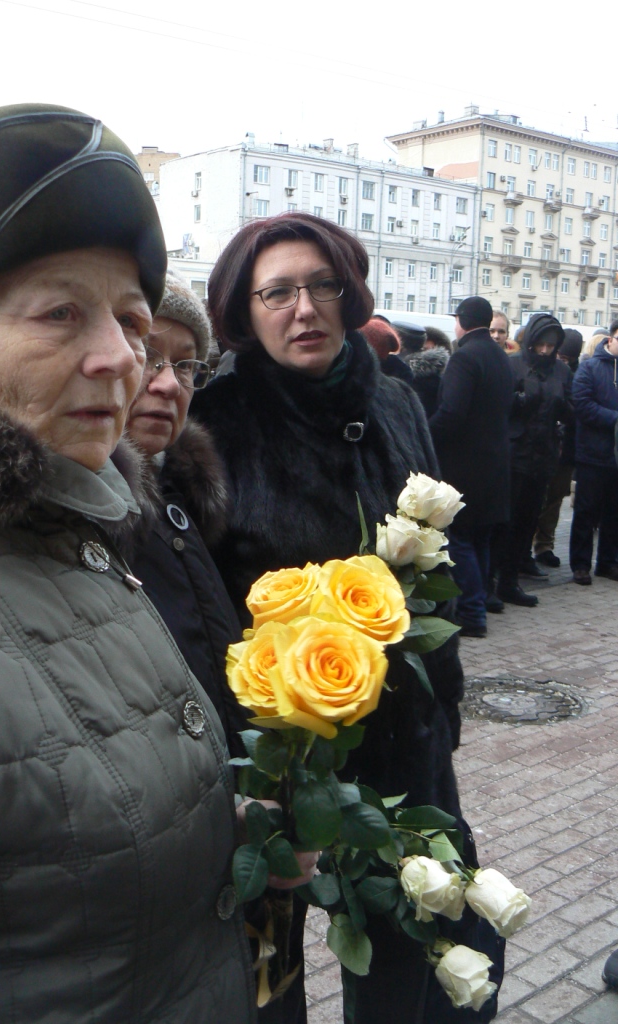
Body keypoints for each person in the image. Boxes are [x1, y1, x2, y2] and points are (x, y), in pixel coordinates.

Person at [0, 103, 257, 1023]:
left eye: (130, 318)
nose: (121, 360)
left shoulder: (85, 532)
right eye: (60, 313)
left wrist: (219, 838)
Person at [193, 214, 503, 1024]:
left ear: (350, 293)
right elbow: (200, 607)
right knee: (269, 978)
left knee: (418, 950)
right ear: (244, 311)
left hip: (409, 747)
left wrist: (445, 703)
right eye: (278, 292)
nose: (305, 309)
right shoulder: (217, 423)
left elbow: (430, 577)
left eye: (322, 285)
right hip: (282, 760)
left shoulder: (398, 403)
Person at [126, 272, 250, 751]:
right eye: (149, 355)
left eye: (184, 365)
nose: (167, 384)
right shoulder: (81, 511)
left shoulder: (186, 493)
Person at [429, 297, 514, 637]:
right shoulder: (500, 355)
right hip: (495, 461)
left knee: (460, 537)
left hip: (464, 464)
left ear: (461, 321)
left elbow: (451, 413)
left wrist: (423, 433)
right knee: (479, 537)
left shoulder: (464, 356)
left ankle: (472, 612)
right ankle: (477, 605)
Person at [497, 314, 570, 605]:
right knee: (506, 522)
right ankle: (494, 579)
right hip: (514, 455)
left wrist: (564, 417)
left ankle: (510, 581)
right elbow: (499, 406)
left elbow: (571, 407)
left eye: (550, 346)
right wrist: (518, 402)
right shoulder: (513, 365)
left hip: (542, 457)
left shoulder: (562, 372)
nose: (544, 351)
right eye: (540, 344)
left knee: (527, 521)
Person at [569, 320, 618, 585]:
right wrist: (615, 419)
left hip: (616, 458)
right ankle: (580, 565)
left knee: (614, 513)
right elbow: (583, 405)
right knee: (586, 511)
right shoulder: (590, 367)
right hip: (593, 455)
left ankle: (608, 562)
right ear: (610, 339)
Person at [532, 329, 582, 567]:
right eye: (560, 356)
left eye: (567, 359)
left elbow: (574, 411)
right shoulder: (547, 370)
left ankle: (544, 544)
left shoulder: (576, 374)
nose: (563, 362)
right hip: (544, 446)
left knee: (554, 500)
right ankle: (530, 544)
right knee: (536, 499)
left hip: (566, 448)